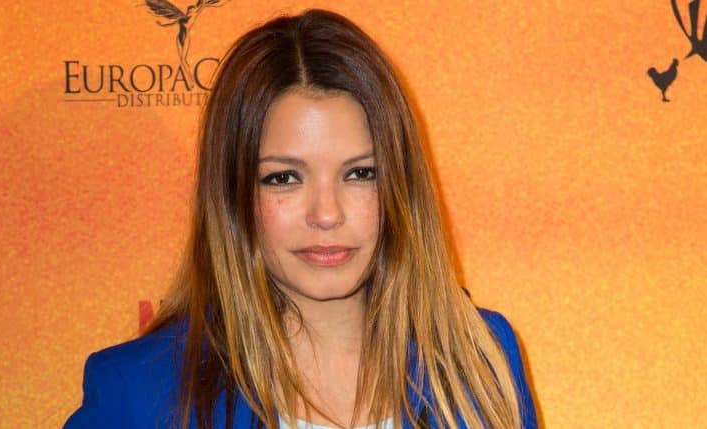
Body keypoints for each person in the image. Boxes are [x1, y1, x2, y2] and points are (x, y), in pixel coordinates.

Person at [63, 8, 538, 429]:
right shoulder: (139, 391)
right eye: (284, 178)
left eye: (360, 173)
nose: (327, 214)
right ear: (232, 194)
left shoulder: (480, 359)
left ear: (400, 185)